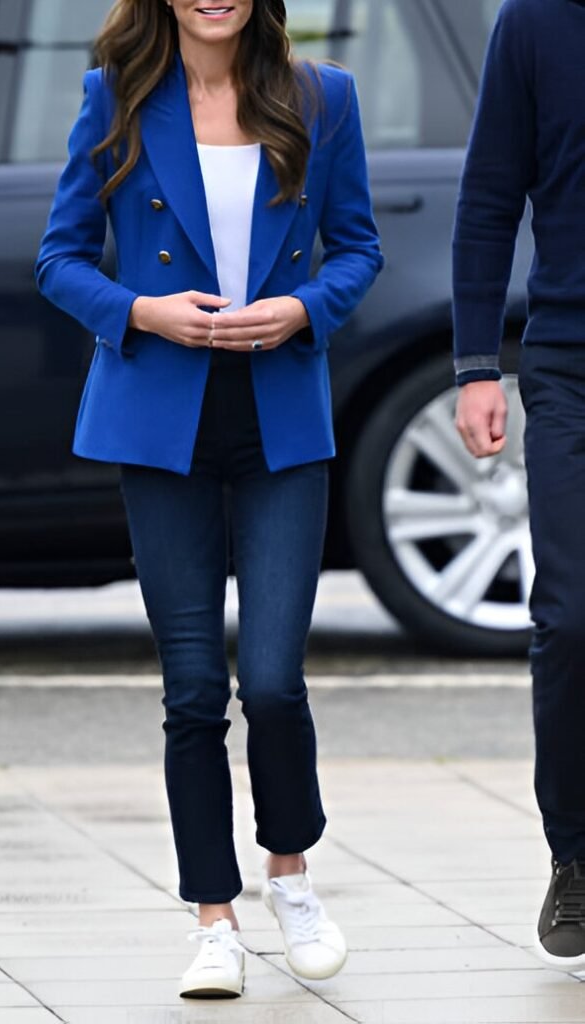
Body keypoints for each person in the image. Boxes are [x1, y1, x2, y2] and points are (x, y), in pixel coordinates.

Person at [35, 0, 382, 1000]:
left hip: (277, 413)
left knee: (271, 680)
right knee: (192, 689)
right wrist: (139, 310)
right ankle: (212, 919)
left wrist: (302, 306)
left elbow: (356, 247)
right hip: (158, 417)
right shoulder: (117, 98)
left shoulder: (323, 97)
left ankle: (290, 874)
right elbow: (58, 258)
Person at [453, 0, 585, 970]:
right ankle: (574, 857)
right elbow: (489, 194)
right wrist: (471, 365)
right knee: (572, 615)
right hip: (568, 363)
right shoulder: (533, 21)